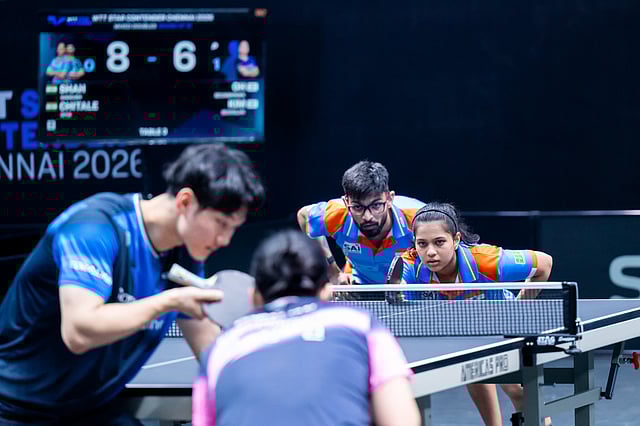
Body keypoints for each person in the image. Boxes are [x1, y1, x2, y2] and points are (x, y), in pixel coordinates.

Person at [0, 143, 266, 425]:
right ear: (186, 202)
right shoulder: (94, 227)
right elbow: (78, 332)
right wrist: (169, 302)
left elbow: (207, 343)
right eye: (221, 223)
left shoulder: (185, 251)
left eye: (233, 228)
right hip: (17, 411)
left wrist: (265, 390)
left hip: (90, 410)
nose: (225, 240)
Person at [193, 230, 420, 426]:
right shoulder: (361, 325)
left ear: (254, 295)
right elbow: (402, 421)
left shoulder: (221, 347)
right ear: (326, 291)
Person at [400, 202, 553, 426]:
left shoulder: (487, 261)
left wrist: (517, 309)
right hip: (456, 334)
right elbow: (401, 310)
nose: (430, 252)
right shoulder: (409, 267)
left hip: (499, 327)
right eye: (422, 243)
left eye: (439, 242)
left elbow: (545, 264)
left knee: (516, 391)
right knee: (472, 371)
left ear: (456, 239)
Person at [296, 160, 425, 286]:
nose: (367, 217)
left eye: (376, 205)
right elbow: (303, 216)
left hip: (410, 288)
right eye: (358, 207)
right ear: (346, 202)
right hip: (358, 286)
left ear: (389, 198)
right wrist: (332, 269)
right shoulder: (336, 214)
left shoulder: (418, 217)